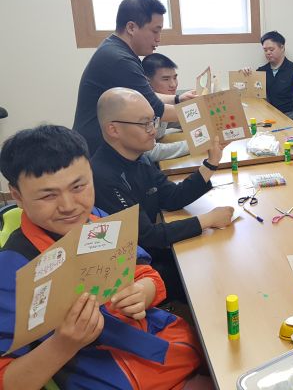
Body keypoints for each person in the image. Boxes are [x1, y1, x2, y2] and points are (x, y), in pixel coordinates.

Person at [0, 125, 210, 389]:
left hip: (160, 346)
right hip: (109, 376)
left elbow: (146, 273)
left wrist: (142, 292)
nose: (69, 206)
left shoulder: (96, 221)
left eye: (79, 186)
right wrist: (62, 345)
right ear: (17, 196)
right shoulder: (12, 269)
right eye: (48, 195)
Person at [90, 88, 233, 301]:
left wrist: (211, 162)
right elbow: (148, 236)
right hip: (136, 270)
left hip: (153, 251)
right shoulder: (103, 177)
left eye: (153, 121)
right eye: (145, 123)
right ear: (113, 129)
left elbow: (172, 197)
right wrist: (208, 220)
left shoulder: (139, 157)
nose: (153, 130)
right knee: (211, 281)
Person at [73, 0, 196, 154]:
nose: (158, 39)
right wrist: (204, 112)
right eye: (155, 31)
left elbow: (145, 96)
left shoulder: (115, 49)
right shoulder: (120, 60)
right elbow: (156, 110)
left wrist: (177, 99)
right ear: (131, 27)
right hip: (98, 153)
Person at [243, 31, 293, 128]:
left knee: (287, 120)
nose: (268, 53)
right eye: (265, 50)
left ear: (282, 48)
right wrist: (247, 74)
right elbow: (252, 94)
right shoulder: (261, 71)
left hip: (292, 115)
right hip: (269, 115)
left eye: (271, 49)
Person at [141, 53, 189, 162]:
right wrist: (194, 144)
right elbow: (149, 152)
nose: (173, 84)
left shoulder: (166, 102)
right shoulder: (142, 109)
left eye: (175, 78)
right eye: (166, 79)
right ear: (147, 82)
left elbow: (181, 122)